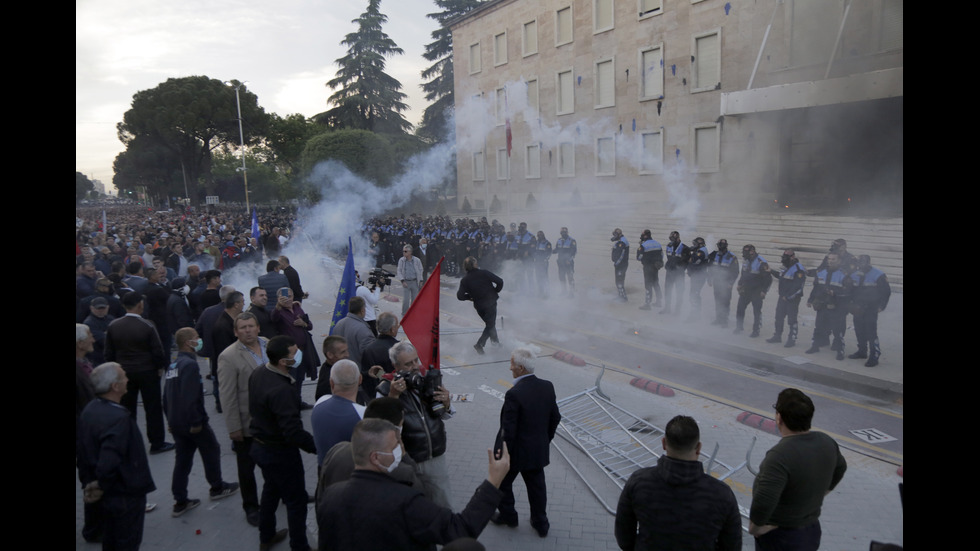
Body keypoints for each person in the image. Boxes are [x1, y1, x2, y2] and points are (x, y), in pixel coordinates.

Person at [317, 418, 510, 551]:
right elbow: (459, 530)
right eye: (395, 446)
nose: (401, 450)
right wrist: (493, 481)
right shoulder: (405, 502)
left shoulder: (331, 496)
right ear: (375, 457)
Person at [614, 415, 741, 551]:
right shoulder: (722, 494)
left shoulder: (639, 481)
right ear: (698, 448)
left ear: (663, 443)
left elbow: (624, 536)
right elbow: (732, 545)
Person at [750, 389, 847, 551]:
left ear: (779, 418)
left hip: (781, 538)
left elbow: (764, 500)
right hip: (811, 530)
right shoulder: (826, 441)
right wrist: (823, 492)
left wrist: (755, 528)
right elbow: (841, 468)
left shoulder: (779, 456)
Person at [77, 362, 156, 551]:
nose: (127, 379)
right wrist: (101, 484)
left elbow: (83, 450)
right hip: (124, 494)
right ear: (115, 386)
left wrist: (90, 481)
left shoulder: (91, 409)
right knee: (126, 541)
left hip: (110, 495)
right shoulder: (118, 418)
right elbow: (109, 460)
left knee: (111, 540)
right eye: (123, 377)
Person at [248, 335, 317, 551]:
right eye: (294, 353)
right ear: (282, 361)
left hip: (260, 446)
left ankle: (266, 536)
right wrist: (318, 447)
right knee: (296, 501)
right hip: (279, 453)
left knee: (271, 490)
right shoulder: (282, 389)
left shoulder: (260, 372)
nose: (298, 355)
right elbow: (293, 432)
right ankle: (300, 545)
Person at [163, 328, 239, 517]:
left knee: (182, 460)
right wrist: (196, 421)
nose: (199, 340)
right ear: (188, 343)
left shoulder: (174, 365)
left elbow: (166, 396)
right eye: (196, 338)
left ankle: (180, 500)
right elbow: (191, 396)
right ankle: (217, 487)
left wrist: (170, 420)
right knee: (211, 449)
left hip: (177, 422)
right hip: (193, 422)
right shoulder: (189, 365)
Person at [490, 347, 561, 538]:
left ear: (520, 368)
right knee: (537, 488)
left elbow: (508, 430)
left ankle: (509, 517)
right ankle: (541, 523)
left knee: (503, 484)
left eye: (512, 363)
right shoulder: (547, 386)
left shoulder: (514, 394)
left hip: (514, 453)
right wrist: (545, 439)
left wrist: (502, 454)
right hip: (537, 451)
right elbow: (556, 417)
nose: (510, 367)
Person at [380, 341, 455, 509]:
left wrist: (447, 403)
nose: (415, 366)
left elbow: (445, 415)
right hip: (408, 461)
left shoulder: (427, 380)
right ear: (396, 366)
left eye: (416, 360)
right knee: (413, 507)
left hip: (435, 457)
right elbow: (382, 426)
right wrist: (393, 396)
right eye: (408, 364)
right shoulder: (385, 388)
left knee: (444, 504)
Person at [103, 291, 174, 454]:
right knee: (153, 408)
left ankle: (128, 442)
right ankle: (157, 442)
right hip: (147, 371)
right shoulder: (147, 325)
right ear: (140, 305)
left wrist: (115, 370)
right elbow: (158, 351)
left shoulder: (114, 325)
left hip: (124, 372)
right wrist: (159, 368)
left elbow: (109, 352)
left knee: (127, 409)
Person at [217, 312, 267, 526]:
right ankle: (251, 506)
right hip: (248, 424)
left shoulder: (267, 344)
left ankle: (283, 494)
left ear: (258, 328)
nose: (247, 330)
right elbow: (227, 395)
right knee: (246, 469)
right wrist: (234, 427)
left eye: (251, 326)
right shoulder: (228, 356)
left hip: (273, 420)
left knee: (277, 463)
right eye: (243, 327)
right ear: (236, 332)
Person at [311, 359, 366, 466]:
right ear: (360, 379)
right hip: (352, 474)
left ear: (331, 382)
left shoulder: (319, 403)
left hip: (325, 471)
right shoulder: (363, 413)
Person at [271, 287, 318, 406]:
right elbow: (273, 318)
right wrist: (278, 305)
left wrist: (304, 323)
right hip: (288, 353)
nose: (288, 299)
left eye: (290, 296)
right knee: (290, 379)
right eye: (284, 297)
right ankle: (290, 403)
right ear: (278, 299)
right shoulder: (278, 312)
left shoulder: (298, 308)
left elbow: (310, 326)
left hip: (302, 351)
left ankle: (298, 401)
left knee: (300, 378)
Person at [805, 253, 852, 360]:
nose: (830, 261)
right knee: (818, 327)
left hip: (837, 306)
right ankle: (815, 346)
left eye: (833, 259)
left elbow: (848, 291)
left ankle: (840, 350)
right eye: (829, 259)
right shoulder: (821, 273)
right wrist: (810, 300)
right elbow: (816, 288)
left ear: (839, 261)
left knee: (837, 329)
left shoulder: (844, 275)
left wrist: (835, 293)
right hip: (822, 305)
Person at [848, 255, 891, 367]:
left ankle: (874, 355)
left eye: (863, 263)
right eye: (859, 264)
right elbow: (850, 290)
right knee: (859, 330)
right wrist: (851, 304)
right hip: (858, 308)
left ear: (868, 263)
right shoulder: (854, 274)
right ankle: (862, 351)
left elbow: (886, 291)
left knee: (871, 332)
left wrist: (882, 306)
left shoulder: (878, 274)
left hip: (871, 308)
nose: (861, 266)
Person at [456, 256, 503, 355]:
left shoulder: (465, 280)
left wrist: (470, 297)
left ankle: (495, 343)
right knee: (490, 324)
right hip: (490, 302)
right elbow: (500, 281)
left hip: (479, 306)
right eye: (476, 262)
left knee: (490, 324)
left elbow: (460, 296)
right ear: (474, 265)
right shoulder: (484, 273)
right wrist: (495, 291)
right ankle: (480, 344)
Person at [767, 250, 807, 348]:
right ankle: (777, 336)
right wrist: (771, 271)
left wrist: (788, 297)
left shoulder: (798, 269)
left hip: (792, 299)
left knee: (792, 319)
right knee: (779, 317)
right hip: (782, 297)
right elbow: (781, 277)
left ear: (793, 257)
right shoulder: (785, 267)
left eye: (787, 256)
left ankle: (792, 339)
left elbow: (798, 286)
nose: (784, 258)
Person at [734, 244, 772, 338]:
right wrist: (739, 283)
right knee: (740, 308)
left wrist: (764, 291)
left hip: (757, 290)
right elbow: (743, 273)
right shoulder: (746, 260)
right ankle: (739, 327)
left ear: (752, 251)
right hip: (746, 289)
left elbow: (768, 279)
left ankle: (756, 330)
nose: (744, 253)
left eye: (746, 251)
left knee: (756, 311)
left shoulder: (761, 262)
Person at [330, 295, 376, 372]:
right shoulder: (363, 329)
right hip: (356, 372)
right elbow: (369, 356)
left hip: (339, 370)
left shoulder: (339, 324)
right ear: (362, 310)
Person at [360, 312, 399, 399]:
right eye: (397, 325)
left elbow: (365, 375)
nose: (398, 327)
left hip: (373, 395)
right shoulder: (398, 349)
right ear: (392, 329)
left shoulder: (368, 349)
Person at [707, 240, 739, 327]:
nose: (720, 248)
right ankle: (718, 318)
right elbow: (711, 268)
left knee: (725, 302)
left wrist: (731, 283)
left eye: (722, 247)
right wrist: (709, 279)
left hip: (726, 284)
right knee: (717, 301)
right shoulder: (715, 255)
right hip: (717, 282)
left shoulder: (732, 257)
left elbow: (735, 272)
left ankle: (724, 320)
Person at [661, 231, 689, 315]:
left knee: (679, 291)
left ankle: (677, 310)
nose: (672, 241)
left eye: (673, 239)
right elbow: (669, 257)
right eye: (671, 239)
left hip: (679, 273)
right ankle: (667, 308)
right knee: (668, 290)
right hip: (669, 272)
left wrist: (681, 269)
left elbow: (687, 261)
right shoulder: (668, 246)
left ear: (678, 238)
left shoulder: (685, 248)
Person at [635, 229, 663, 310]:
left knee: (648, 285)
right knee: (656, 283)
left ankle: (647, 304)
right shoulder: (657, 243)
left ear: (645, 236)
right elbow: (661, 255)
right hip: (656, 267)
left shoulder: (644, 245)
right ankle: (659, 301)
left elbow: (638, 257)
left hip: (647, 267)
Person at [396, 244, 424, 315]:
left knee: (414, 300)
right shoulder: (402, 260)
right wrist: (402, 281)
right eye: (403, 251)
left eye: (405, 251)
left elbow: (421, 270)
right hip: (406, 282)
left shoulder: (417, 260)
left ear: (410, 252)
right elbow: (399, 271)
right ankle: (404, 314)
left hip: (414, 282)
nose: (404, 253)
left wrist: (420, 280)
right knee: (406, 300)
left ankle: (413, 313)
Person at [686, 237, 709, 320]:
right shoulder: (701, 250)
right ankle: (695, 313)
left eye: (695, 244)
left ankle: (695, 315)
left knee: (694, 295)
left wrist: (691, 256)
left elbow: (694, 262)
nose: (694, 245)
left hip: (699, 276)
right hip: (697, 275)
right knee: (694, 294)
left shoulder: (701, 252)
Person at [354, 271, 382, 337]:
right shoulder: (362, 289)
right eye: (358, 276)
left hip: (356, 318)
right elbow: (374, 301)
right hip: (368, 319)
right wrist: (378, 288)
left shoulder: (349, 289)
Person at [554, 227, 577, 297]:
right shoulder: (559, 240)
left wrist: (569, 260)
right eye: (562, 232)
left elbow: (574, 252)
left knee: (570, 277)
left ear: (567, 233)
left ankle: (571, 292)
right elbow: (557, 249)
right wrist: (549, 252)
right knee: (561, 277)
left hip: (568, 262)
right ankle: (563, 291)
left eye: (564, 232)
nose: (563, 234)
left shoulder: (572, 240)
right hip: (560, 262)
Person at [611, 228, 630, 301]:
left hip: (621, 265)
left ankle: (623, 297)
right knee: (619, 280)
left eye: (615, 235)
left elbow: (621, 255)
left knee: (619, 281)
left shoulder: (622, 242)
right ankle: (621, 295)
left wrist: (617, 263)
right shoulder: (621, 241)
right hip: (622, 264)